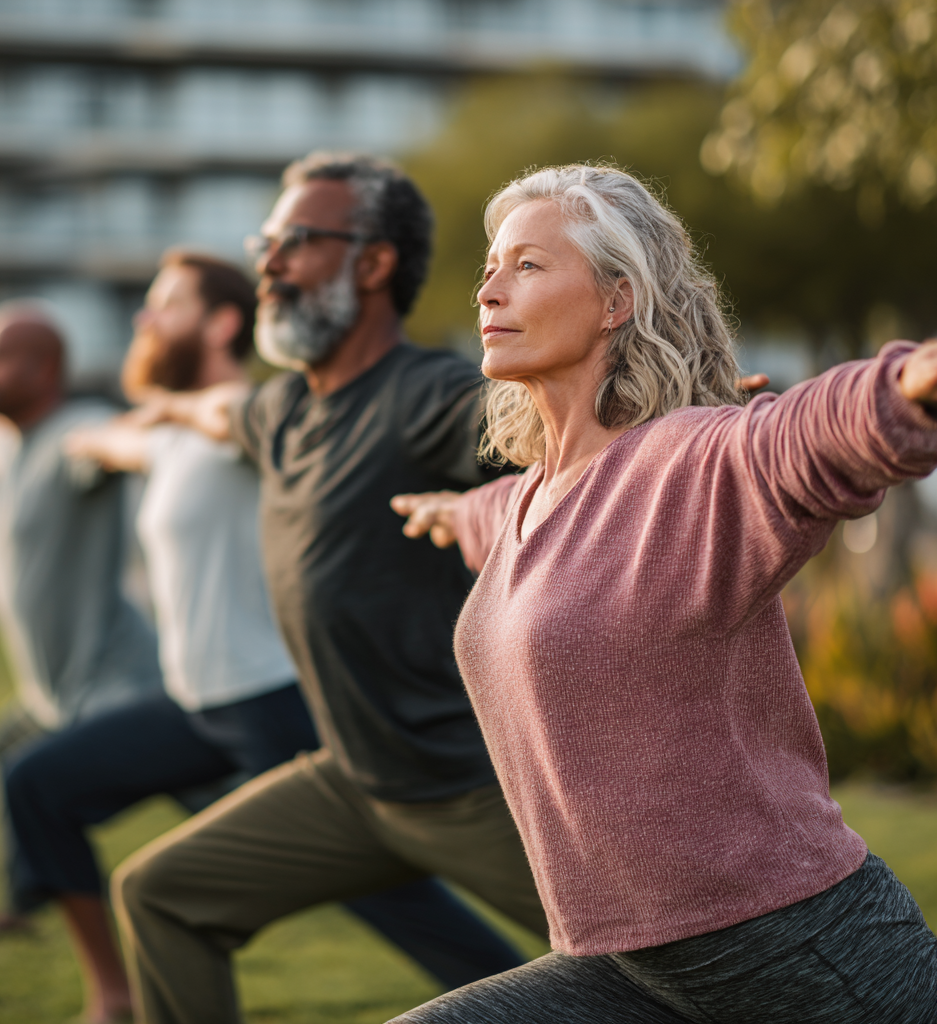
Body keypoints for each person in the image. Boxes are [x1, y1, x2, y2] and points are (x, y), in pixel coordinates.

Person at [387, 164, 937, 1023]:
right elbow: (509, 527)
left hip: (799, 946)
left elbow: (804, 438)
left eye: (528, 266)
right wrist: (451, 510)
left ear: (616, 300)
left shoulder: (689, 462)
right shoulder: (534, 496)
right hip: (631, 968)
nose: (489, 289)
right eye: (490, 268)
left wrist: (909, 385)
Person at [0, 249, 524, 1023]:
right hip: (195, 705)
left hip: (270, 701)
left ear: (221, 324)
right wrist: (92, 426)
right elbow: (129, 437)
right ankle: (112, 994)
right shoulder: (179, 436)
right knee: (39, 783)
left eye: (164, 304)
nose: (145, 318)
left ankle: (539, 987)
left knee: (401, 901)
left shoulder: (264, 425)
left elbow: (283, 442)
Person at [108, 153, 551, 1024]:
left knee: (677, 960)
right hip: (352, 783)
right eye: (266, 242)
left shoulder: (427, 392)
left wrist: (695, 418)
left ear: (374, 264)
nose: (269, 262)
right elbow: (220, 411)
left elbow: (546, 428)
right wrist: (167, 410)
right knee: (161, 893)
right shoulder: (281, 413)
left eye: (296, 242)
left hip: (472, 789)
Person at [0, 304, 163, 941]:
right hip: (53, 693)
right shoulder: (15, 446)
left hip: (123, 687)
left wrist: (139, 444)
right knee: (10, 750)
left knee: (219, 791)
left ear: (44, 367)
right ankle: (21, 905)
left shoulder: (72, 434)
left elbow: (107, 442)